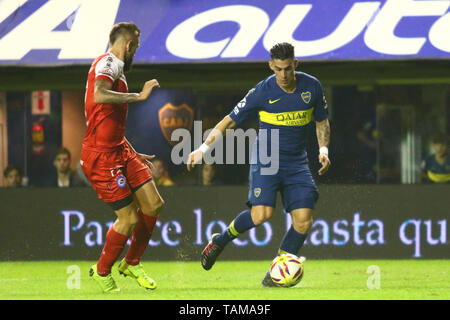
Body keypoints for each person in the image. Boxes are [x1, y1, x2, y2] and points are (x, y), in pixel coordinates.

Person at [187, 42, 331, 286]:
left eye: (288, 69)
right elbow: (230, 121)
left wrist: (324, 149)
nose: (283, 75)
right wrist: (203, 148)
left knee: (304, 219)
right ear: (271, 66)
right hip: (268, 159)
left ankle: (276, 275)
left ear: (295, 64)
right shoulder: (262, 91)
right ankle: (220, 240)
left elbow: (322, 121)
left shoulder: (312, 86)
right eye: (278, 69)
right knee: (261, 215)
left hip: (297, 162)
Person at [81, 22, 164, 293]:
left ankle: (131, 263)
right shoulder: (109, 62)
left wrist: (130, 149)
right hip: (101, 156)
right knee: (128, 219)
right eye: (136, 47)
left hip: (120, 149)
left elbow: (108, 119)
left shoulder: (114, 67)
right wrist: (138, 96)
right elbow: (100, 94)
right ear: (128, 45)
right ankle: (102, 271)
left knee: (153, 205)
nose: (135, 53)